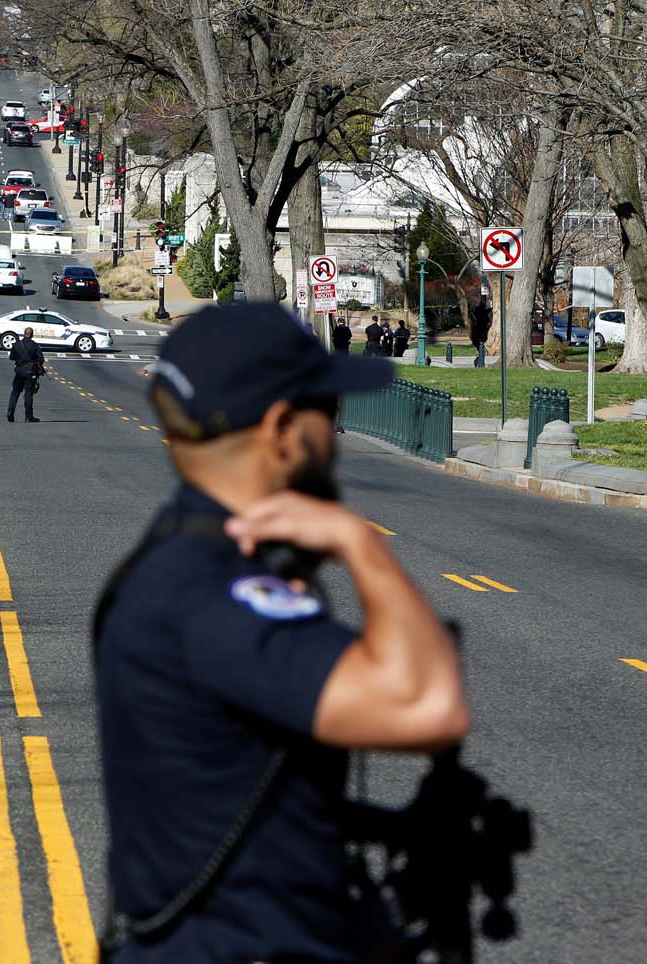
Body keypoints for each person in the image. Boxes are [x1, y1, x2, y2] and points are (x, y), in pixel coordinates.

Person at [95, 302, 470, 963]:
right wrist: (362, 545)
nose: (337, 428)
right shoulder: (214, 591)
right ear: (282, 430)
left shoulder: (183, 554)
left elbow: (220, 785)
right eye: (327, 408)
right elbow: (428, 707)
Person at [7, 327, 44, 422]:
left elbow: (11, 357)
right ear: (32, 335)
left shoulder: (16, 345)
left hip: (19, 371)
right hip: (30, 372)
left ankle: (10, 413)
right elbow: (41, 360)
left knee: (15, 392)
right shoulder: (35, 346)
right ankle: (29, 416)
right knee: (28, 394)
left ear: (24, 334)